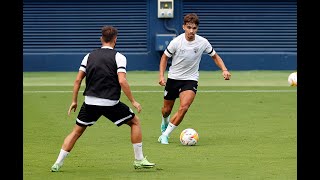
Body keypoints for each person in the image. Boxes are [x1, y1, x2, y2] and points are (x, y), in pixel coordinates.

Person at [51, 25, 156, 172]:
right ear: (115, 39)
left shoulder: (89, 56)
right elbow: (122, 81)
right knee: (135, 122)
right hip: (110, 103)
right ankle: (139, 160)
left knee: (76, 132)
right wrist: (133, 101)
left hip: (89, 103)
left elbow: (77, 80)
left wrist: (74, 101)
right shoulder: (119, 57)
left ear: (101, 39)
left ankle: (57, 163)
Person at [158, 13, 231, 144]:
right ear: (184, 27)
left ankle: (165, 135)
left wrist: (224, 69)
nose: (191, 31)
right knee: (166, 110)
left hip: (190, 79)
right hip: (173, 78)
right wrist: (161, 76)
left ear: (197, 29)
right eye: (189, 27)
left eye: (194, 28)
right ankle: (164, 121)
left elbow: (215, 56)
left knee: (184, 107)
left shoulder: (203, 42)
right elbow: (164, 57)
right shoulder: (176, 42)